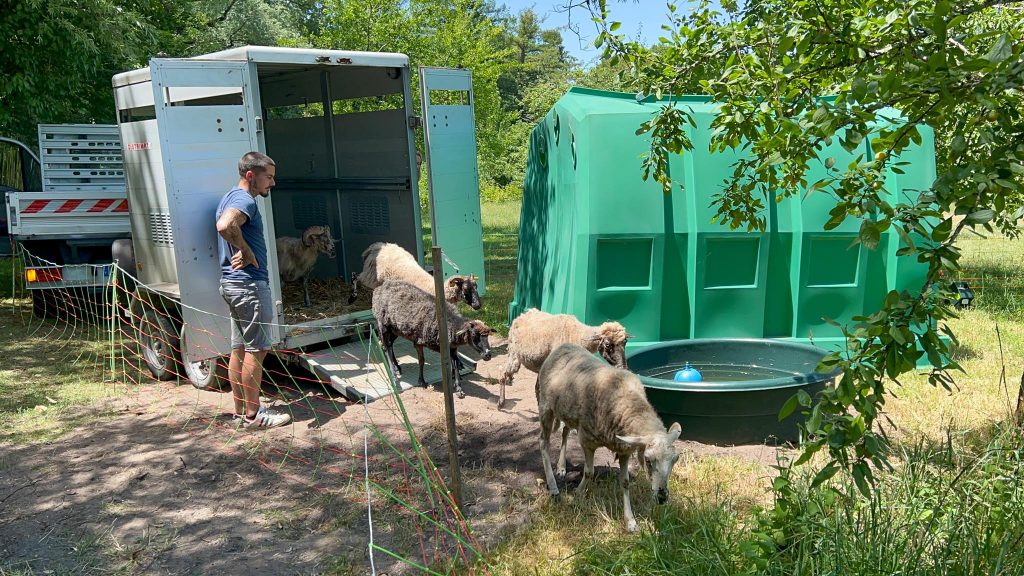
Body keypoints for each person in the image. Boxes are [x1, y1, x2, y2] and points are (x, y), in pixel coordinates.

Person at [215, 151, 291, 428]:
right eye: (268, 177)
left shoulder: (228, 197)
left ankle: (241, 413)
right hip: (248, 285)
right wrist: (246, 251)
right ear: (251, 175)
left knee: (239, 349)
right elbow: (225, 225)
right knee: (256, 349)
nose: (272, 183)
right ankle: (254, 415)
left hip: (232, 285)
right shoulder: (244, 199)